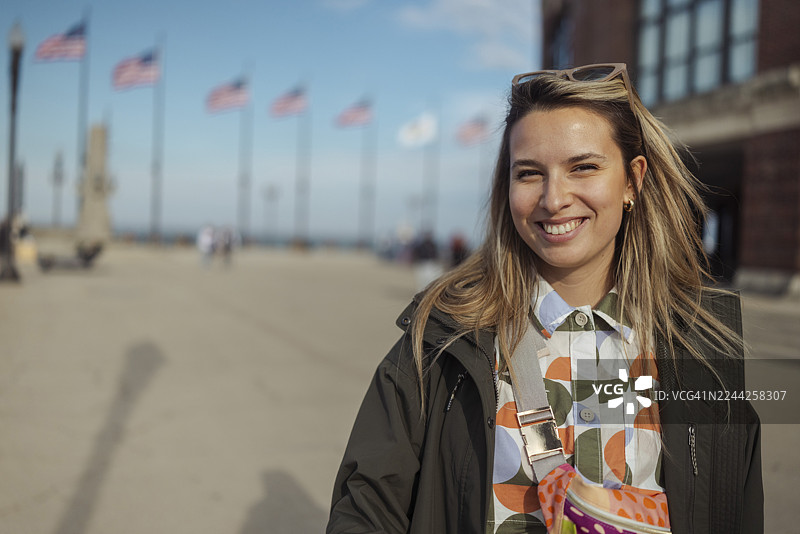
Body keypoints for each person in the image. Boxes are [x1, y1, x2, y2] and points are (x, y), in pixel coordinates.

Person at [326, 64, 762, 534]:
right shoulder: (440, 339)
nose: (554, 199)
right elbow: (366, 508)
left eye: (584, 167)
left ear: (633, 180)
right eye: (530, 173)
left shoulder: (703, 347)